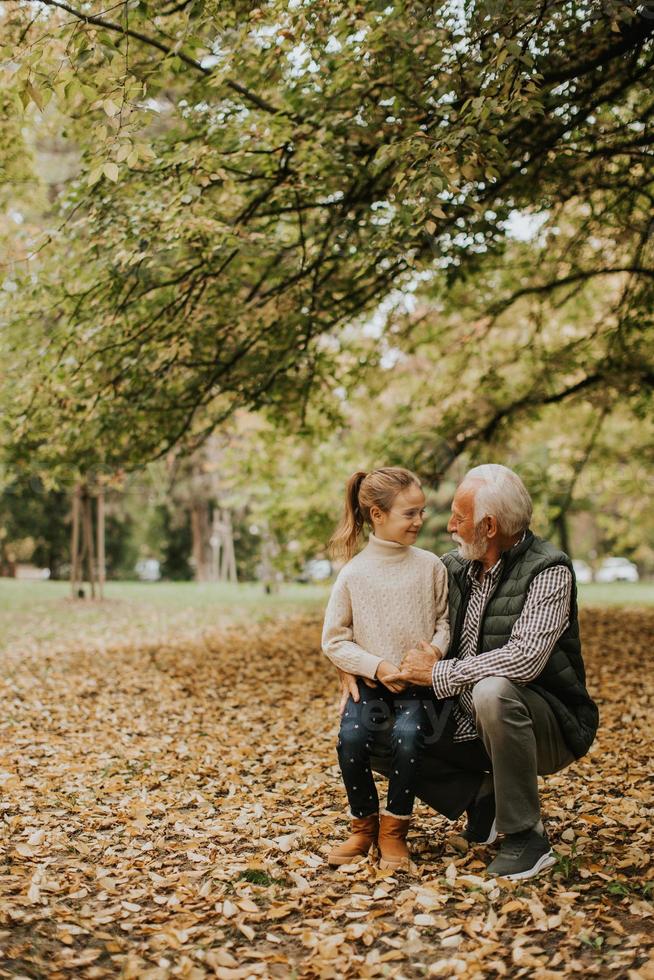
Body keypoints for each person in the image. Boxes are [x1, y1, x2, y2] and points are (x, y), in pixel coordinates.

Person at [337, 464, 599, 881]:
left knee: (492, 691)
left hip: (544, 724)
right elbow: (387, 615)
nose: (450, 526)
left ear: (489, 525)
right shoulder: (451, 568)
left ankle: (526, 838)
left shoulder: (548, 571)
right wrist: (351, 663)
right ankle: (482, 799)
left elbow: (525, 659)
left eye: (459, 517)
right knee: (369, 727)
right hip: (464, 721)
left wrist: (439, 674)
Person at [322, 467, 450, 870]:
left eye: (421, 512)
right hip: (372, 686)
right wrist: (374, 666)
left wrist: (432, 654)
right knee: (351, 741)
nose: (420, 520)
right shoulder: (353, 574)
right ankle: (363, 826)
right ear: (377, 514)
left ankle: (394, 831)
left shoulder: (431, 566)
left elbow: (445, 623)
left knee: (410, 738)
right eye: (409, 513)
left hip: (420, 687)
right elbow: (334, 639)